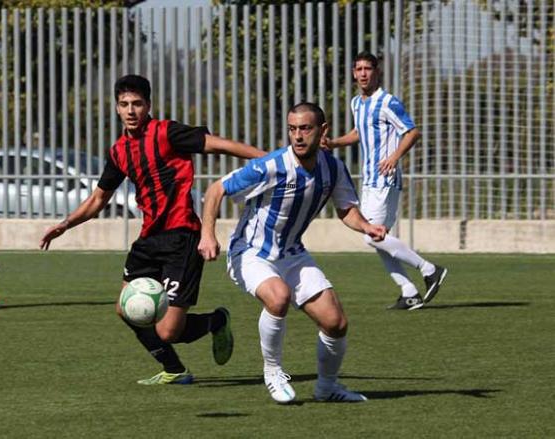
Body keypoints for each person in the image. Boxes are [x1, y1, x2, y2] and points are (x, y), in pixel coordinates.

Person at [40, 74, 266, 385]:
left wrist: (272, 161)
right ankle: (175, 370)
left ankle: (216, 320)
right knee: (125, 309)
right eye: (124, 104)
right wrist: (65, 224)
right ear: (117, 108)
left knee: (168, 331)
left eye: (137, 104)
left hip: (182, 238)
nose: (130, 110)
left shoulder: (168, 133)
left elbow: (223, 146)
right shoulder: (119, 151)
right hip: (148, 240)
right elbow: (97, 199)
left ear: (148, 106)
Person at [198, 102, 387, 404]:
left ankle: (326, 387)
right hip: (250, 253)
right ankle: (273, 371)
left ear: (323, 131)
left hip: (292, 254)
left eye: (305, 128)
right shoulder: (272, 165)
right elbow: (216, 189)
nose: (297, 136)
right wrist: (207, 234)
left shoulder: (333, 167)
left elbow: (346, 209)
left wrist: (366, 227)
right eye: (292, 129)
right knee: (278, 296)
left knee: (335, 323)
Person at [322, 51, 447, 310]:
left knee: (371, 236)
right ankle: (409, 291)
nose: (364, 73)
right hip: (368, 180)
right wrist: (334, 143)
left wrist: (394, 156)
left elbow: (412, 132)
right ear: (354, 73)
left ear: (377, 72)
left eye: (369, 68)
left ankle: (429, 269)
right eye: (359, 69)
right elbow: (359, 132)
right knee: (378, 238)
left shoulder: (388, 102)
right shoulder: (357, 103)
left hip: (385, 178)